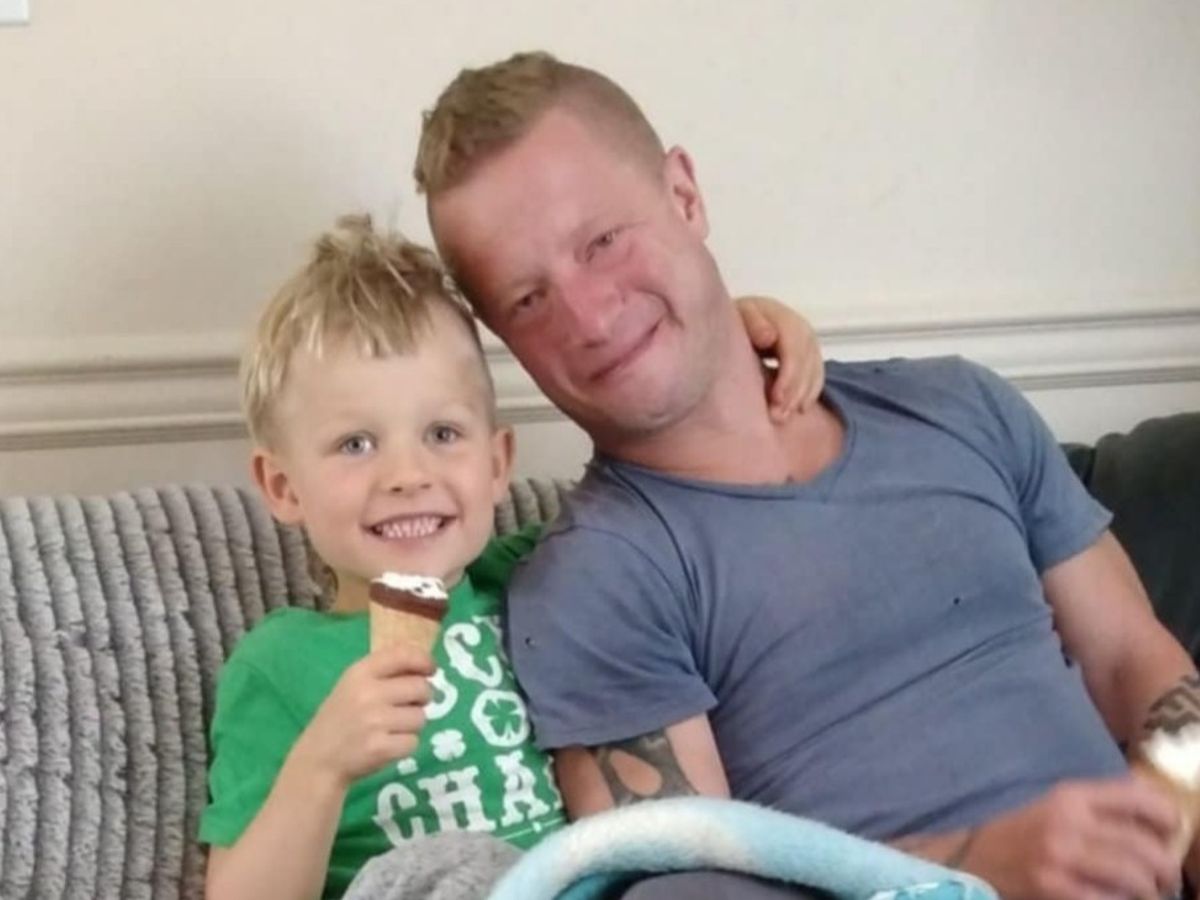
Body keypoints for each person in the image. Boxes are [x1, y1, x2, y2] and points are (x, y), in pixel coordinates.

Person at [417, 51, 1200, 900]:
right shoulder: (595, 579)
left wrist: (1171, 814)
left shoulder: (957, 406)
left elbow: (1136, 662)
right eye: (528, 299)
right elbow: (685, 882)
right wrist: (981, 863)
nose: (591, 317)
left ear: (684, 194)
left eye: (602, 242)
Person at [198, 213, 824, 899]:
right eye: (356, 444)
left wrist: (736, 344)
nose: (407, 475)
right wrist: (321, 768)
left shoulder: (537, 579)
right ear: (283, 488)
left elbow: (671, 495)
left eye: (443, 433)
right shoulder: (279, 663)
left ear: (497, 464)